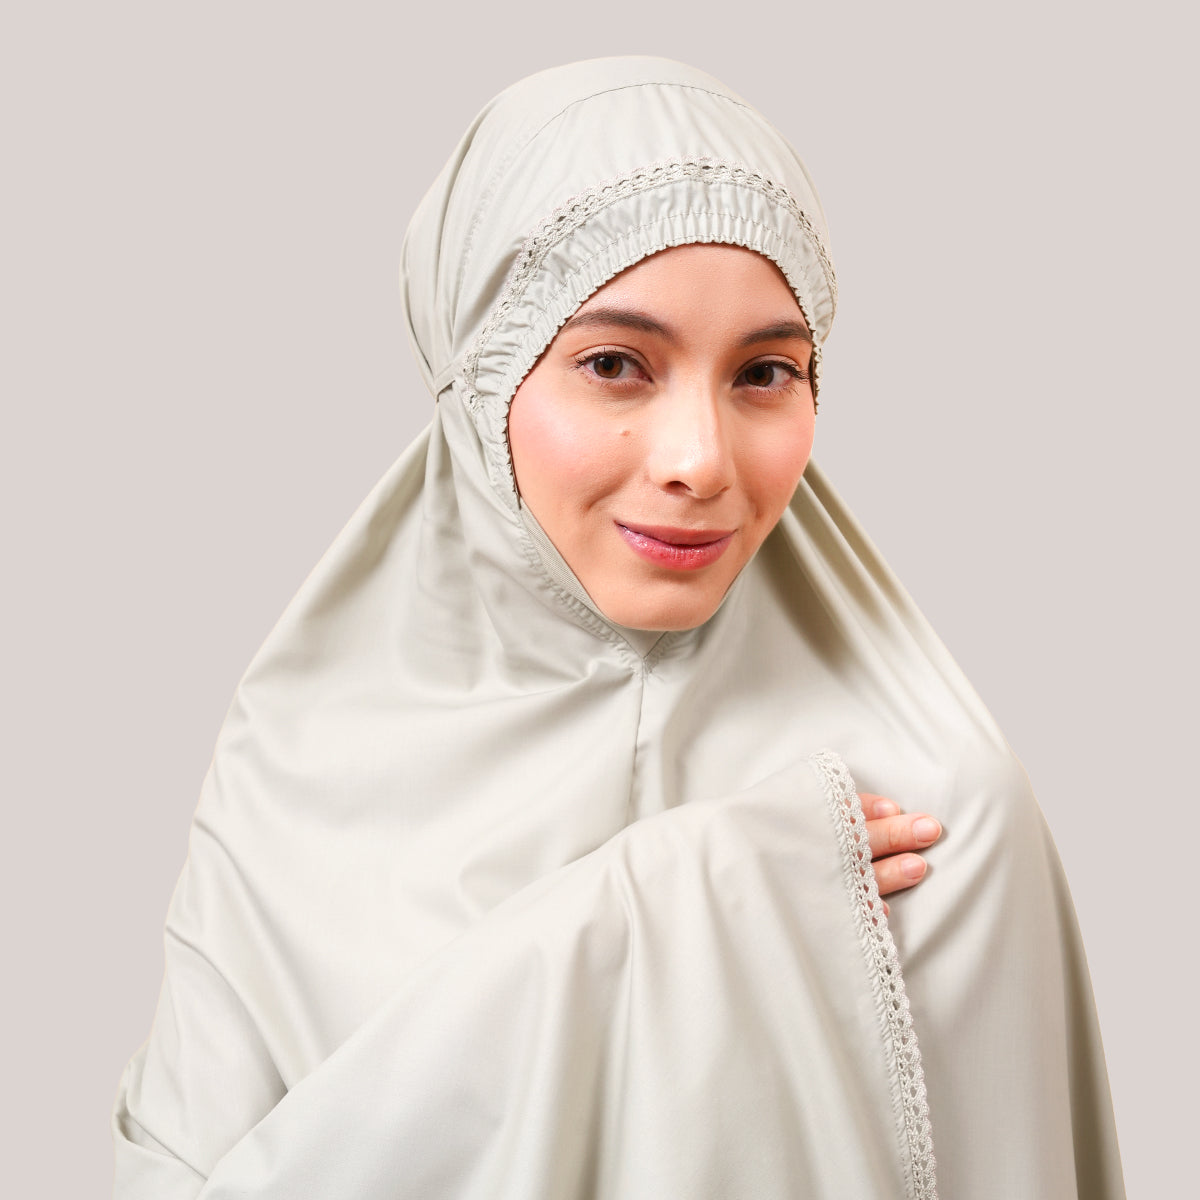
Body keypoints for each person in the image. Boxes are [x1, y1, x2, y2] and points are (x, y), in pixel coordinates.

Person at [112, 57, 1124, 1199]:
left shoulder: (933, 807)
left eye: (765, 372)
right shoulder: (300, 764)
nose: (700, 461)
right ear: (481, 374)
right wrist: (690, 903)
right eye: (613, 365)